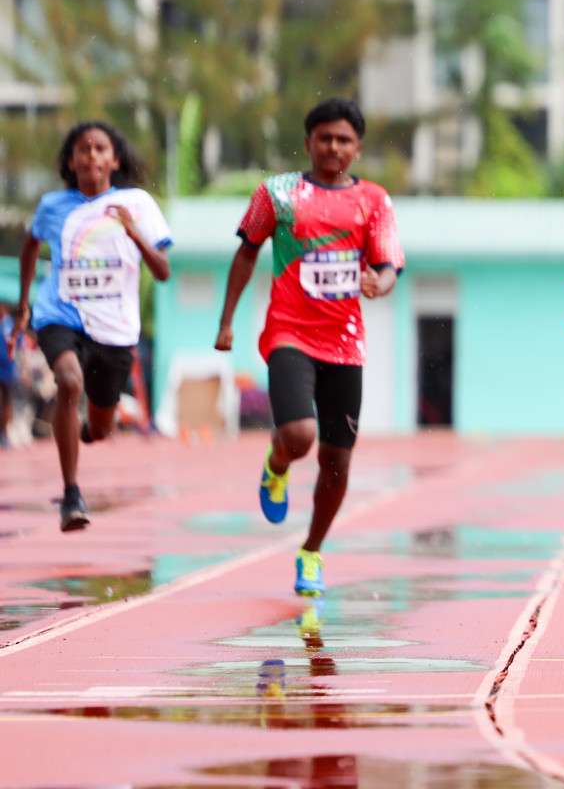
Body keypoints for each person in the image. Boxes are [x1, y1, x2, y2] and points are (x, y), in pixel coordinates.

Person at [214, 98, 404, 596]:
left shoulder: (375, 201)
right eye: (325, 138)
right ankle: (277, 464)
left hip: (345, 344)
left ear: (357, 148)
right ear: (308, 143)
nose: (334, 147)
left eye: (344, 139)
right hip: (289, 332)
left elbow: (388, 267)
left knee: (337, 461)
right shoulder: (277, 193)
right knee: (299, 436)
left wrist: (378, 285)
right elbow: (246, 252)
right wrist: (228, 319)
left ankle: (312, 550)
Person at [8, 122, 172, 530]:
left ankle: (86, 430)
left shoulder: (138, 203)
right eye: (83, 149)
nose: (92, 155)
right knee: (68, 380)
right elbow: (31, 246)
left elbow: (164, 271)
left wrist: (134, 232)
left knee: (101, 427)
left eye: (101, 148)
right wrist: (25, 304)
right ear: (71, 160)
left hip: (115, 329)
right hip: (60, 313)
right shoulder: (53, 206)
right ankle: (71, 494)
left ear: (114, 160)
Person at [0, 302, 16, 447]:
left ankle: (4, 434)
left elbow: (19, 346)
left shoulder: (12, 325)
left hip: (8, 369)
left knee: (6, 403)